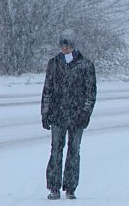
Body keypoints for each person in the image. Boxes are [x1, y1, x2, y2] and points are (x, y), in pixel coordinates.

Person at [41, 31, 97, 200]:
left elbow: (90, 93)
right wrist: (45, 112)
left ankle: (71, 188)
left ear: (74, 46)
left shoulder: (86, 65)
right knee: (56, 150)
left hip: (77, 116)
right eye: (62, 45)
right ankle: (54, 187)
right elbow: (47, 90)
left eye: (68, 45)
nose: (65, 48)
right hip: (57, 115)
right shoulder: (54, 63)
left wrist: (86, 114)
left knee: (74, 151)